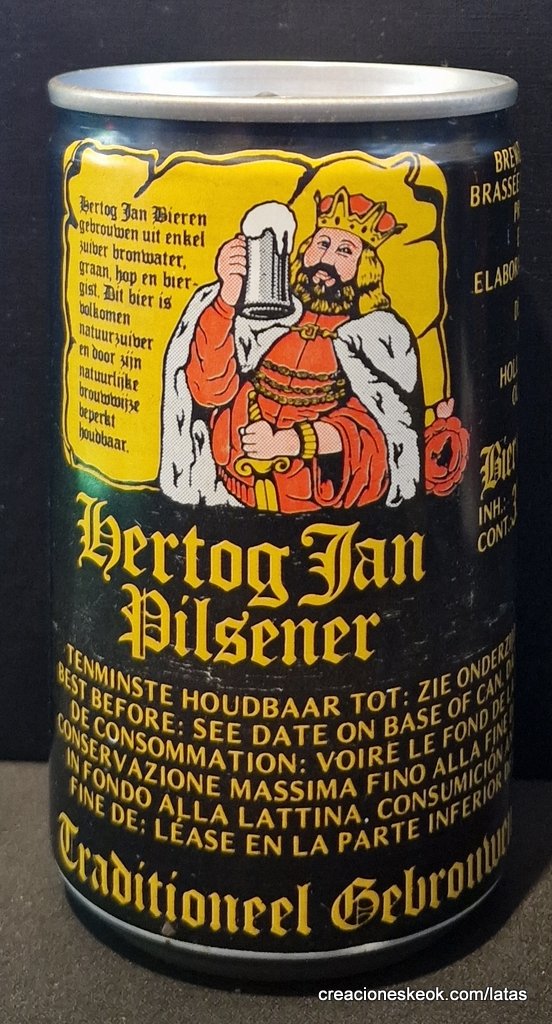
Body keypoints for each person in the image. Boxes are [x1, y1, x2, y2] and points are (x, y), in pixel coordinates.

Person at [160, 188, 421, 512]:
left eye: (345, 250)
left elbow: (369, 430)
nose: (327, 259)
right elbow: (209, 391)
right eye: (322, 244)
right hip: (232, 483)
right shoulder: (266, 319)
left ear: (365, 268)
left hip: (315, 494)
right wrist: (227, 299)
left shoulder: (374, 337)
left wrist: (290, 441)